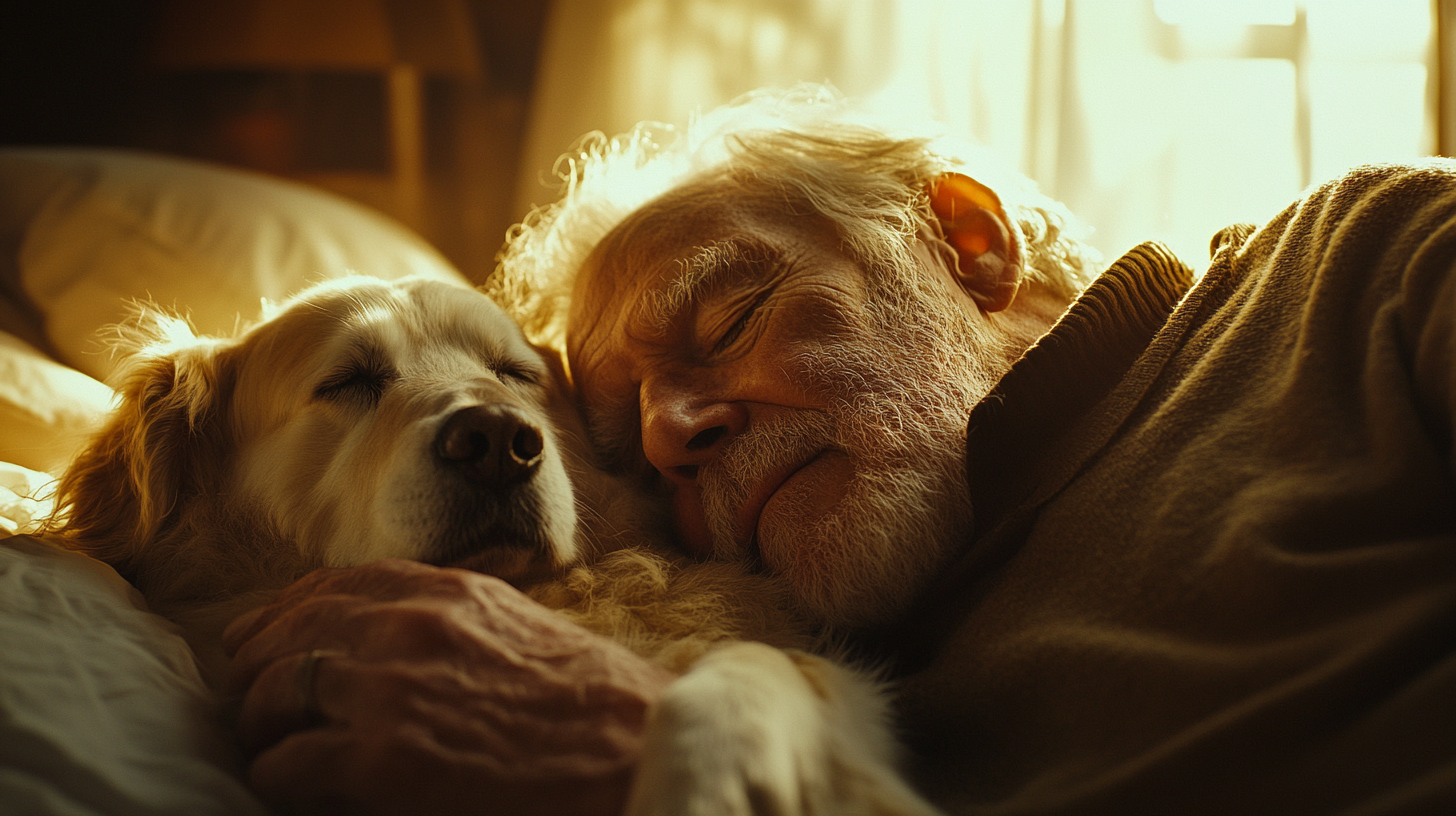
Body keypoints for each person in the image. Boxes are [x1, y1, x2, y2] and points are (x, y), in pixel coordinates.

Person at [225, 85, 1456, 814]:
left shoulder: (1365, 263)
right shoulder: (804, 638)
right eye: (631, 441)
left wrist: (646, 762)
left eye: (727, 319)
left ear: (969, 246)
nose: (672, 431)